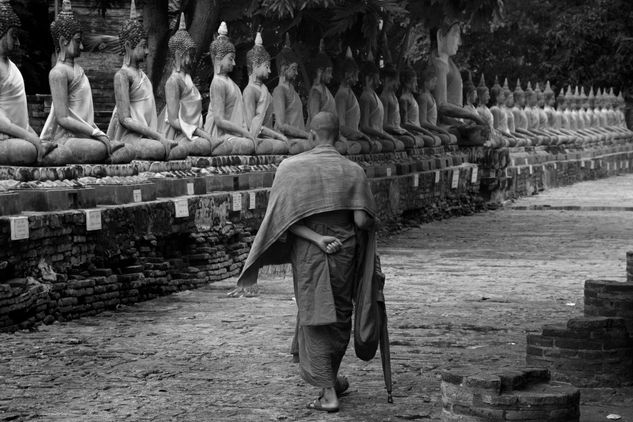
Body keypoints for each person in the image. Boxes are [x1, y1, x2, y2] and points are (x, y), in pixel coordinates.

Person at [231, 111, 377, 413]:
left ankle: (327, 393)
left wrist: (315, 237)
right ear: (337, 137)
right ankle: (332, 380)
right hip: (343, 252)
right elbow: (362, 220)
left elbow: (281, 220)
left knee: (315, 315)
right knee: (338, 315)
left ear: (311, 135)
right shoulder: (353, 171)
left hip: (311, 252)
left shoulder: (291, 168)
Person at [42, 0, 133, 165]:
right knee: (100, 149)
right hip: (67, 138)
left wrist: (95, 132)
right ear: (63, 41)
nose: (82, 46)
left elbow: (83, 115)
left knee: (127, 150)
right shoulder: (58, 73)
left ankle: (104, 150)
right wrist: (94, 132)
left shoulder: (78, 70)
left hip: (84, 137)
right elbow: (63, 118)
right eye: (78, 41)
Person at [108, 0, 186, 161]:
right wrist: (157, 136)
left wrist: (157, 136)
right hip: (130, 137)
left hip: (147, 135)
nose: (147, 51)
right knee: (159, 150)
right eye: (143, 46)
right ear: (129, 45)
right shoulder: (122, 75)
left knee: (180, 151)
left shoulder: (142, 76)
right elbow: (124, 119)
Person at [0, 0, 59, 165]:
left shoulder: (11, 66)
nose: (17, 42)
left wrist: (35, 137)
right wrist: (31, 139)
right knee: (27, 151)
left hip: (17, 136)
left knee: (56, 153)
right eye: (13, 36)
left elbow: (21, 117)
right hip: (3, 138)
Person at [159, 13, 217, 156]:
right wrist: (197, 131)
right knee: (204, 146)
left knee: (208, 146)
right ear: (178, 55)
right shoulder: (173, 81)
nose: (192, 59)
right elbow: (173, 120)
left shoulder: (187, 78)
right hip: (178, 134)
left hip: (192, 132)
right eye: (189, 55)